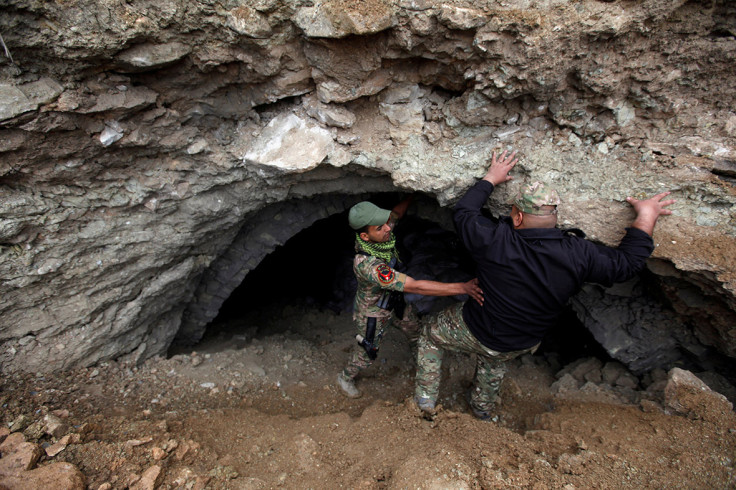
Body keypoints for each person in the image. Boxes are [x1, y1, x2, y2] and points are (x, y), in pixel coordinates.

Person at [413, 149, 675, 419]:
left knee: (431, 334)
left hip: (478, 329)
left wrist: (490, 177)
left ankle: (424, 402)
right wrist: (647, 214)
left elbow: (464, 212)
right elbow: (627, 265)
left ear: (517, 217)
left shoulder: (494, 240)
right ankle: (482, 409)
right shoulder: (579, 254)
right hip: (524, 340)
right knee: (496, 356)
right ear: (555, 218)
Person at [337, 198, 484, 398]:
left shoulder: (381, 235)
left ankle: (420, 359)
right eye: (380, 227)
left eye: (386, 223)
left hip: (395, 300)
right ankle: (345, 377)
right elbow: (414, 285)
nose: (388, 228)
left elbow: (396, 213)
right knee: (367, 353)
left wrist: (412, 195)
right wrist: (462, 287)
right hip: (374, 312)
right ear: (365, 235)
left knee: (415, 330)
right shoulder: (369, 265)